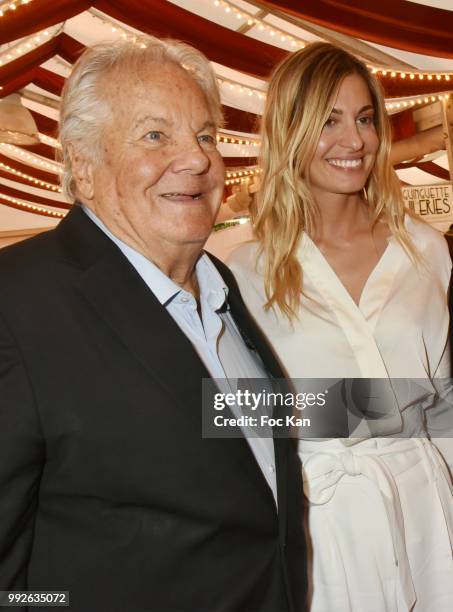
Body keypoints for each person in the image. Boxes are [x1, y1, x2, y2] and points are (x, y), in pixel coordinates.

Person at [0, 37, 307, 612]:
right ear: (84, 167)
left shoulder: (218, 282)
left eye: (206, 136)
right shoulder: (16, 303)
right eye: (155, 135)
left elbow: (225, 433)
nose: (197, 159)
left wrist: (405, 408)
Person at [228, 42, 453, 611]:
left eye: (364, 118)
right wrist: (380, 407)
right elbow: (227, 413)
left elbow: (446, 405)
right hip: (320, 523)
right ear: (290, 131)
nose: (354, 141)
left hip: (430, 508)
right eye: (328, 120)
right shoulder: (244, 269)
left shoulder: (425, 250)